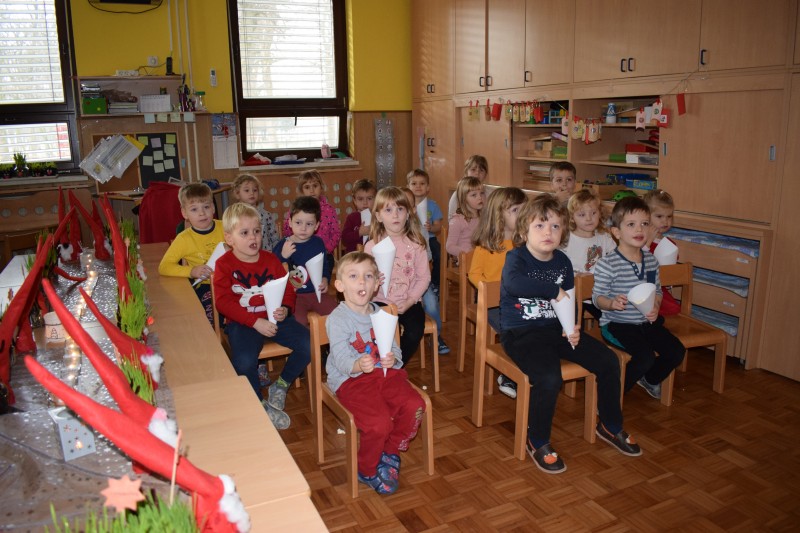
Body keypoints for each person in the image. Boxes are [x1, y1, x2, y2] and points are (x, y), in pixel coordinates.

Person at [500, 194, 642, 474]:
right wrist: (552, 290)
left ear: (563, 231)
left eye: (555, 226)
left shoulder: (562, 262)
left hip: (556, 331)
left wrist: (572, 328)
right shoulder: (516, 258)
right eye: (540, 226)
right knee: (549, 377)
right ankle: (537, 439)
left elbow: (570, 299)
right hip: (521, 333)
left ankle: (610, 425)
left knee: (609, 361)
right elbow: (514, 284)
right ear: (524, 231)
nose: (548, 232)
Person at [326, 252, 426, 495]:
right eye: (353, 276)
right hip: (351, 380)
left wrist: (393, 359)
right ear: (339, 285)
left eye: (368, 276)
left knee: (415, 405)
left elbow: (394, 351)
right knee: (378, 424)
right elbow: (340, 359)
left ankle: (390, 450)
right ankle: (366, 469)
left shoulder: (382, 314)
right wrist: (358, 364)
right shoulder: (337, 319)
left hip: (385, 375)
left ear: (376, 284)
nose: (362, 281)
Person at [213, 203, 311, 430]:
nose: (253, 237)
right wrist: (254, 322)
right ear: (229, 238)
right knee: (244, 362)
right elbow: (223, 302)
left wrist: (285, 308)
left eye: (256, 231)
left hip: (275, 319)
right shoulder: (223, 264)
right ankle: (258, 402)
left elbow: (287, 288)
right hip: (244, 323)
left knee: (308, 344)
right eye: (244, 233)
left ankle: (281, 384)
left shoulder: (270, 259)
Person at [592, 196, 686, 400]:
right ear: (616, 232)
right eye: (631, 224)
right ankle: (611, 397)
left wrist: (656, 305)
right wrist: (611, 303)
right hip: (618, 324)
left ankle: (649, 379)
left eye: (644, 224)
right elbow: (597, 298)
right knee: (644, 358)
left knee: (676, 351)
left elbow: (657, 291)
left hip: (646, 323)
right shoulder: (608, 264)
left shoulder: (651, 261)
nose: (639, 229)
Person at [469, 186, 527, 399]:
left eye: (524, 209)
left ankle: (529, 367)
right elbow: (474, 274)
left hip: (520, 302)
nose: (523, 214)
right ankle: (508, 374)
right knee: (514, 329)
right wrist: (490, 289)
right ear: (498, 216)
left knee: (536, 327)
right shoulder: (486, 246)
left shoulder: (525, 244)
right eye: (516, 210)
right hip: (493, 305)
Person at [364, 187, 430, 365]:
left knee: (414, 332)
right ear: (378, 216)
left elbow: (424, 278)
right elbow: (365, 279)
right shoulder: (372, 246)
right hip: (379, 301)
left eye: (400, 209)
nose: (395, 215)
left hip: (408, 301)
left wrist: (410, 300)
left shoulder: (416, 244)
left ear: (408, 213)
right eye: (388, 210)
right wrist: (373, 282)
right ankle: (380, 366)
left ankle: (396, 365)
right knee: (375, 336)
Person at [158, 182, 224, 326]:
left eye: (206, 207)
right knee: (211, 313)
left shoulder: (226, 227)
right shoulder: (183, 239)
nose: (202, 213)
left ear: (213, 208)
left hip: (231, 283)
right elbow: (164, 267)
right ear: (184, 213)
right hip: (205, 286)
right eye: (194, 209)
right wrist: (191, 271)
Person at [272, 196, 338, 327]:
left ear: (317, 225)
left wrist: (325, 279)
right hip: (294, 296)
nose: (303, 228)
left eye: (309, 224)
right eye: (298, 222)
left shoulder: (318, 243)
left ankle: (328, 340)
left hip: (316, 292)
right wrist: (283, 256)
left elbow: (324, 265)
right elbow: (272, 269)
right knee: (298, 322)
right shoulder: (284, 244)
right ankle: (306, 340)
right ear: (290, 222)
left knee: (336, 313)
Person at [400, 187, 449, 355]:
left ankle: (437, 337)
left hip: (419, 279)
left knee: (432, 304)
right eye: (399, 205)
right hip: (398, 283)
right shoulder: (388, 232)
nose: (401, 211)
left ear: (413, 209)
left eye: (407, 205)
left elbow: (427, 257)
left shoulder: (420, 230)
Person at [562, 188, 617, 320]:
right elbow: (559, 268)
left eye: (593, 213)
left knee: (615, 318)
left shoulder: (604, 237)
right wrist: (576, 276)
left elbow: (616, 259)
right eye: (582, 215)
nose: (588, 218)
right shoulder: (566, 239)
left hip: (600, 293)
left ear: (600, 213)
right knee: (573, 322)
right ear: (572, 218)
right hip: (574, 293)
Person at [282, 169, 341, 254]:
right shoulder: (296, 208)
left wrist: (326, 249)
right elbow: (287, 230)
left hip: (324, 253)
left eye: (315, 186)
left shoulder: (329, 210)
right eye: (307, 187)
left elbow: (336, 233)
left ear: (321, 187)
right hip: (300, 253)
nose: (312, 190)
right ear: (301, 190)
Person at [643, 188, 680, 316]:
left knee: (674, 309)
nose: (665, 221)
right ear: (646, 216)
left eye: (669, 216)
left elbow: (670, 270)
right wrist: (648, 242)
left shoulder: (669, 244)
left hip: (660, 288)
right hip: (642, 288)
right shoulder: (639, 239)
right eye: (659, 216)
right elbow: (635, 260)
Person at [407, 169, 443, 294]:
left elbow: (438, 226)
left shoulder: (433, 205)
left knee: (440, 254)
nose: (418, 186)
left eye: (422, 184)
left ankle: (435, 283)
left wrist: (431, 228)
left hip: (430, 238)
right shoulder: (405, 205)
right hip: (411, 238)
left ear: (428, 188)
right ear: (408, 186)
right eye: (414, 183)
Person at [231, 173, 281, 251]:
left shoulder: (266, 215)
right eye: (247, 190)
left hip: (266, 254)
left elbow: (275, 238)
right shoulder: (234, 216)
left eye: (255, 190)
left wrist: (276, 253)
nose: (252, 193)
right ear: (237, 193)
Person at [446, 176, 485, 260]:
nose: (480, 197)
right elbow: (449, 247)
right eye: (474, 195)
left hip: (481, 258)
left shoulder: (484, 217)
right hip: (466, 261)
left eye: (482, 193)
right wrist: (467, 253)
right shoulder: (457, 220)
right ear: (464, 199)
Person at [341, 179, 377, 253]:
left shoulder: (378, 217)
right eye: (360, 199)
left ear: (376, 199)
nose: (365, 202)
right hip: (354, 255)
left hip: (373, 255)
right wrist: (359, 233)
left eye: (369, 198)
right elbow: (344, 239)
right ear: (354, 201)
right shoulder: (351, 218)